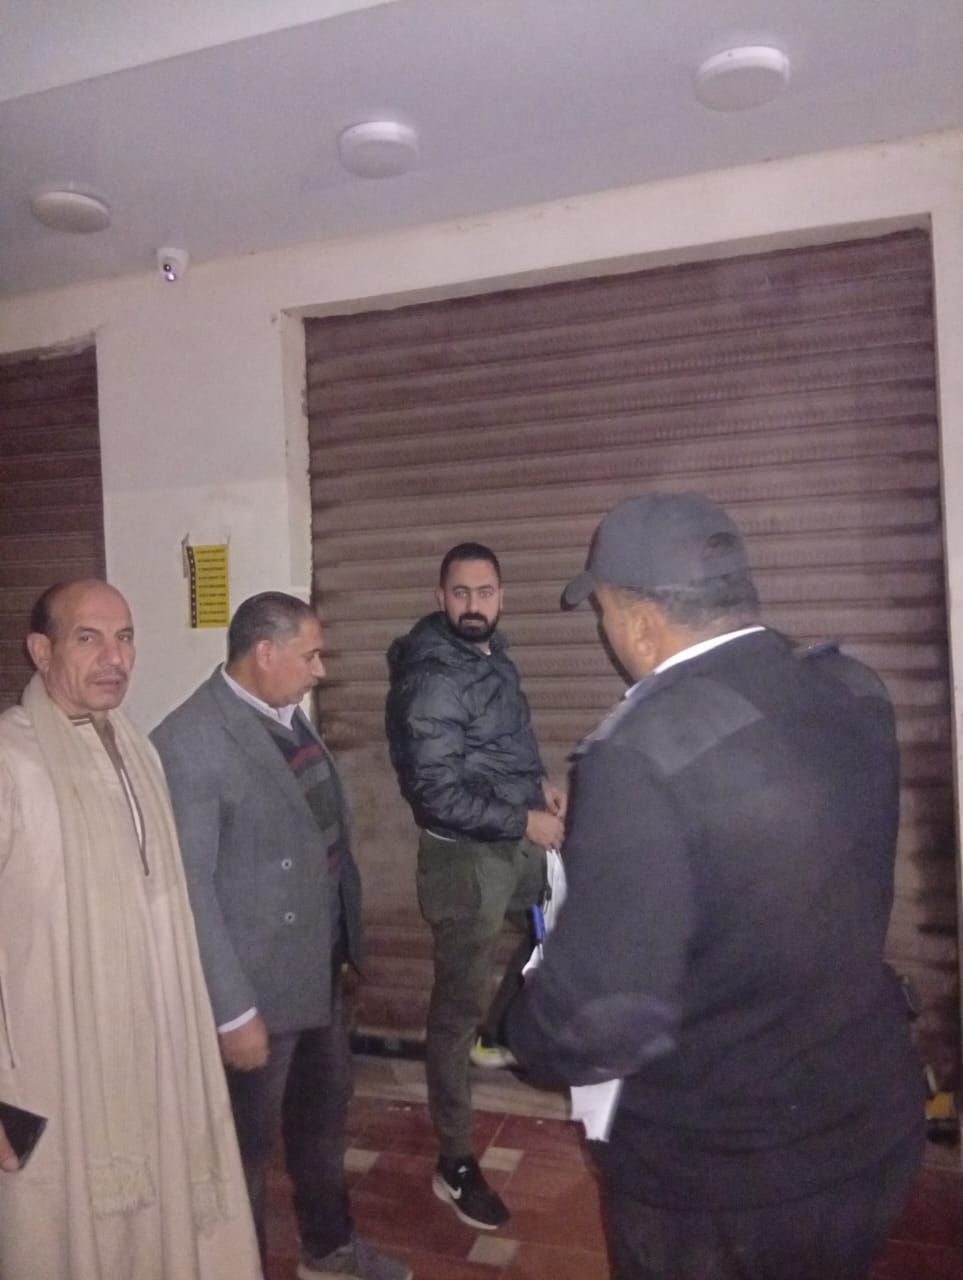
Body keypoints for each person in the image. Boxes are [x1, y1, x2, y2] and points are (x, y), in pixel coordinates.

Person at [505, 492, 926, 1280]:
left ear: (639, 623)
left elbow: (602, 1021)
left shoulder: (636, 756)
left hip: (723, 1179)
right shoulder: (851, 688)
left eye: (602, 611)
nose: (605, 631)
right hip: (870, 1124)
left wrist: (522, 1022)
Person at [0, 580, 260, 1280]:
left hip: (157, 1050)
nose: (114, 658)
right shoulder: (11, 759)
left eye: (125, 638)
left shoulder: (136, 748)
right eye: (88, 638)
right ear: (41, 650)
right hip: (57, 1063)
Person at [152, 593, 409, 1280]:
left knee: (321, 1124)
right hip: (256, 992)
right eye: (310, 655)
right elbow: (190, 890)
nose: (321, 671)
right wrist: (232, 1011)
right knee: (243, 1151)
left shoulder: (284, 715)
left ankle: (329, 1248)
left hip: (317, 972)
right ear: (264, 653)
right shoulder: (189, 742)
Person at [385, 543, 566, 1230]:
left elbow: (504, 743)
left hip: (511, 843)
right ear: (440, 598)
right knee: (453, 1012)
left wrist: (539, 784)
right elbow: (434, 794)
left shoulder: (492, 654)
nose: (472, 605)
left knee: (560, 922)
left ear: (501, 596)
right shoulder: (432, 679)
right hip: (465, 863)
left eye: (484, 592)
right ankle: (454, 1162)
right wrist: (524, 819)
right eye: (459, 593)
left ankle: (496, 1033)